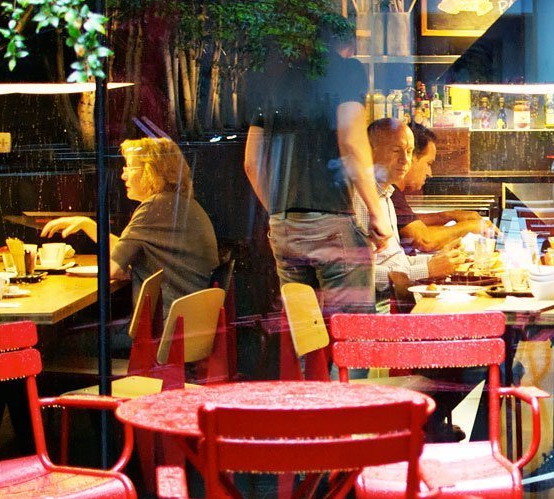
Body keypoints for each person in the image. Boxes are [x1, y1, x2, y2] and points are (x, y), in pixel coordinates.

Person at [243, 42, 388, 314]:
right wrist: (376, 212)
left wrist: (278, 212)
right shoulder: (347, 70)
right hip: (331, 221)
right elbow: (352, 140)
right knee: (351, 336)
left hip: (284, 225)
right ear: (348, 44)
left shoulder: (273, 81)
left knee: (305, 337)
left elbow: (252, 162)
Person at [42, 137, 219, 314]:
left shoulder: (154, 207)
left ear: (151, 171)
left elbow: (112, 269)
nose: (123, 175)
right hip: (187, 322)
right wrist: (87, 225)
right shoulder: (181, 205)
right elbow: (123, 253)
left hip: (164, 327)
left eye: (130, 167)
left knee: (73, 338)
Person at [353, 119, 462, 298]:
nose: (405, 160)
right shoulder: (361, 201)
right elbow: (359, 275)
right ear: (370, 152)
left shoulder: (386, 194)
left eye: (410, 152)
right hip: (381, 310)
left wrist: (437, 261)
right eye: (396, 151)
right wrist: (427, 270)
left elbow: (396, 261)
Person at [394, 122, 488, 254]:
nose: (429, 173)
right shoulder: (389, 192)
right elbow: (425, 240)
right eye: (428, 163)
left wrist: (449, 215)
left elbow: (408, 222)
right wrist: (470, 226)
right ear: (410, 157)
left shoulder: (393, 193)